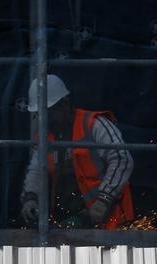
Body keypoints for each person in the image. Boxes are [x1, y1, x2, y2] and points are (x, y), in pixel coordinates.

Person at [20, 74, 134, 229]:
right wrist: (30, 198)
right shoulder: (43, 138)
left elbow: (122, 159)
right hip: (65, 221)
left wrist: (104, 199)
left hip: (107, 221)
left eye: (49, 113)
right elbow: (36, 171)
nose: (44, 120)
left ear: (64, 104)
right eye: (40, 114)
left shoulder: (93, 124)